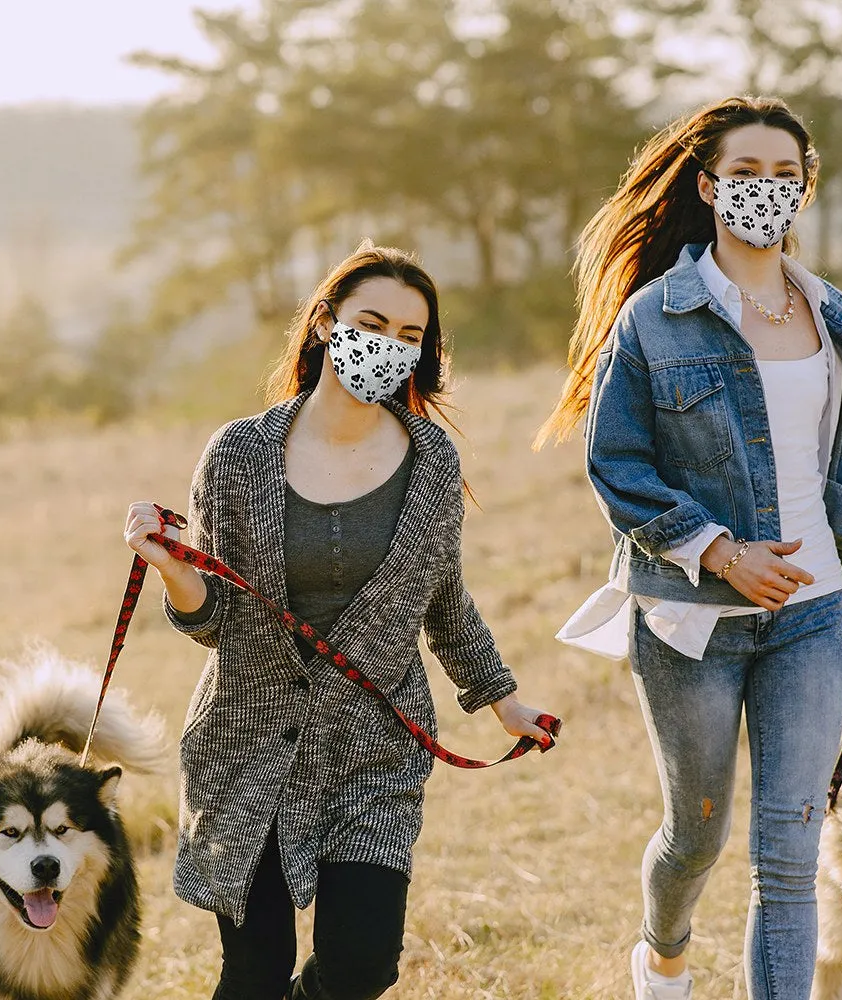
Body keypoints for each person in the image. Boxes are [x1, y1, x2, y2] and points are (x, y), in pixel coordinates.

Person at [536, 96, 842, 1000]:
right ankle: (664, 955)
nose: (765, 191)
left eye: (783, 175)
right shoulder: (655, 318)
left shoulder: (828, 315)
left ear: (806, 188)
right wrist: (722, 554)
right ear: (707, 185)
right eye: (744, 174)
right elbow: (618, 467)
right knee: (696, 834)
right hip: (692, 622)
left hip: (811, 619)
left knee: (789, 853)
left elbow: (813, 463)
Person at [124, 243, 557, 1000]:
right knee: (252, 974)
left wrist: (502, 700)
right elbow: (211, 622)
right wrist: (170, 569)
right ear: (326, 324)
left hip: (373, 751)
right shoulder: (238, 454)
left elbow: (444, 599)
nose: (388, 345)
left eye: (410, 335)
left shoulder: (432, 462)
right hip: (247, 745)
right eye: (372, 322)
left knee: (362, 967)